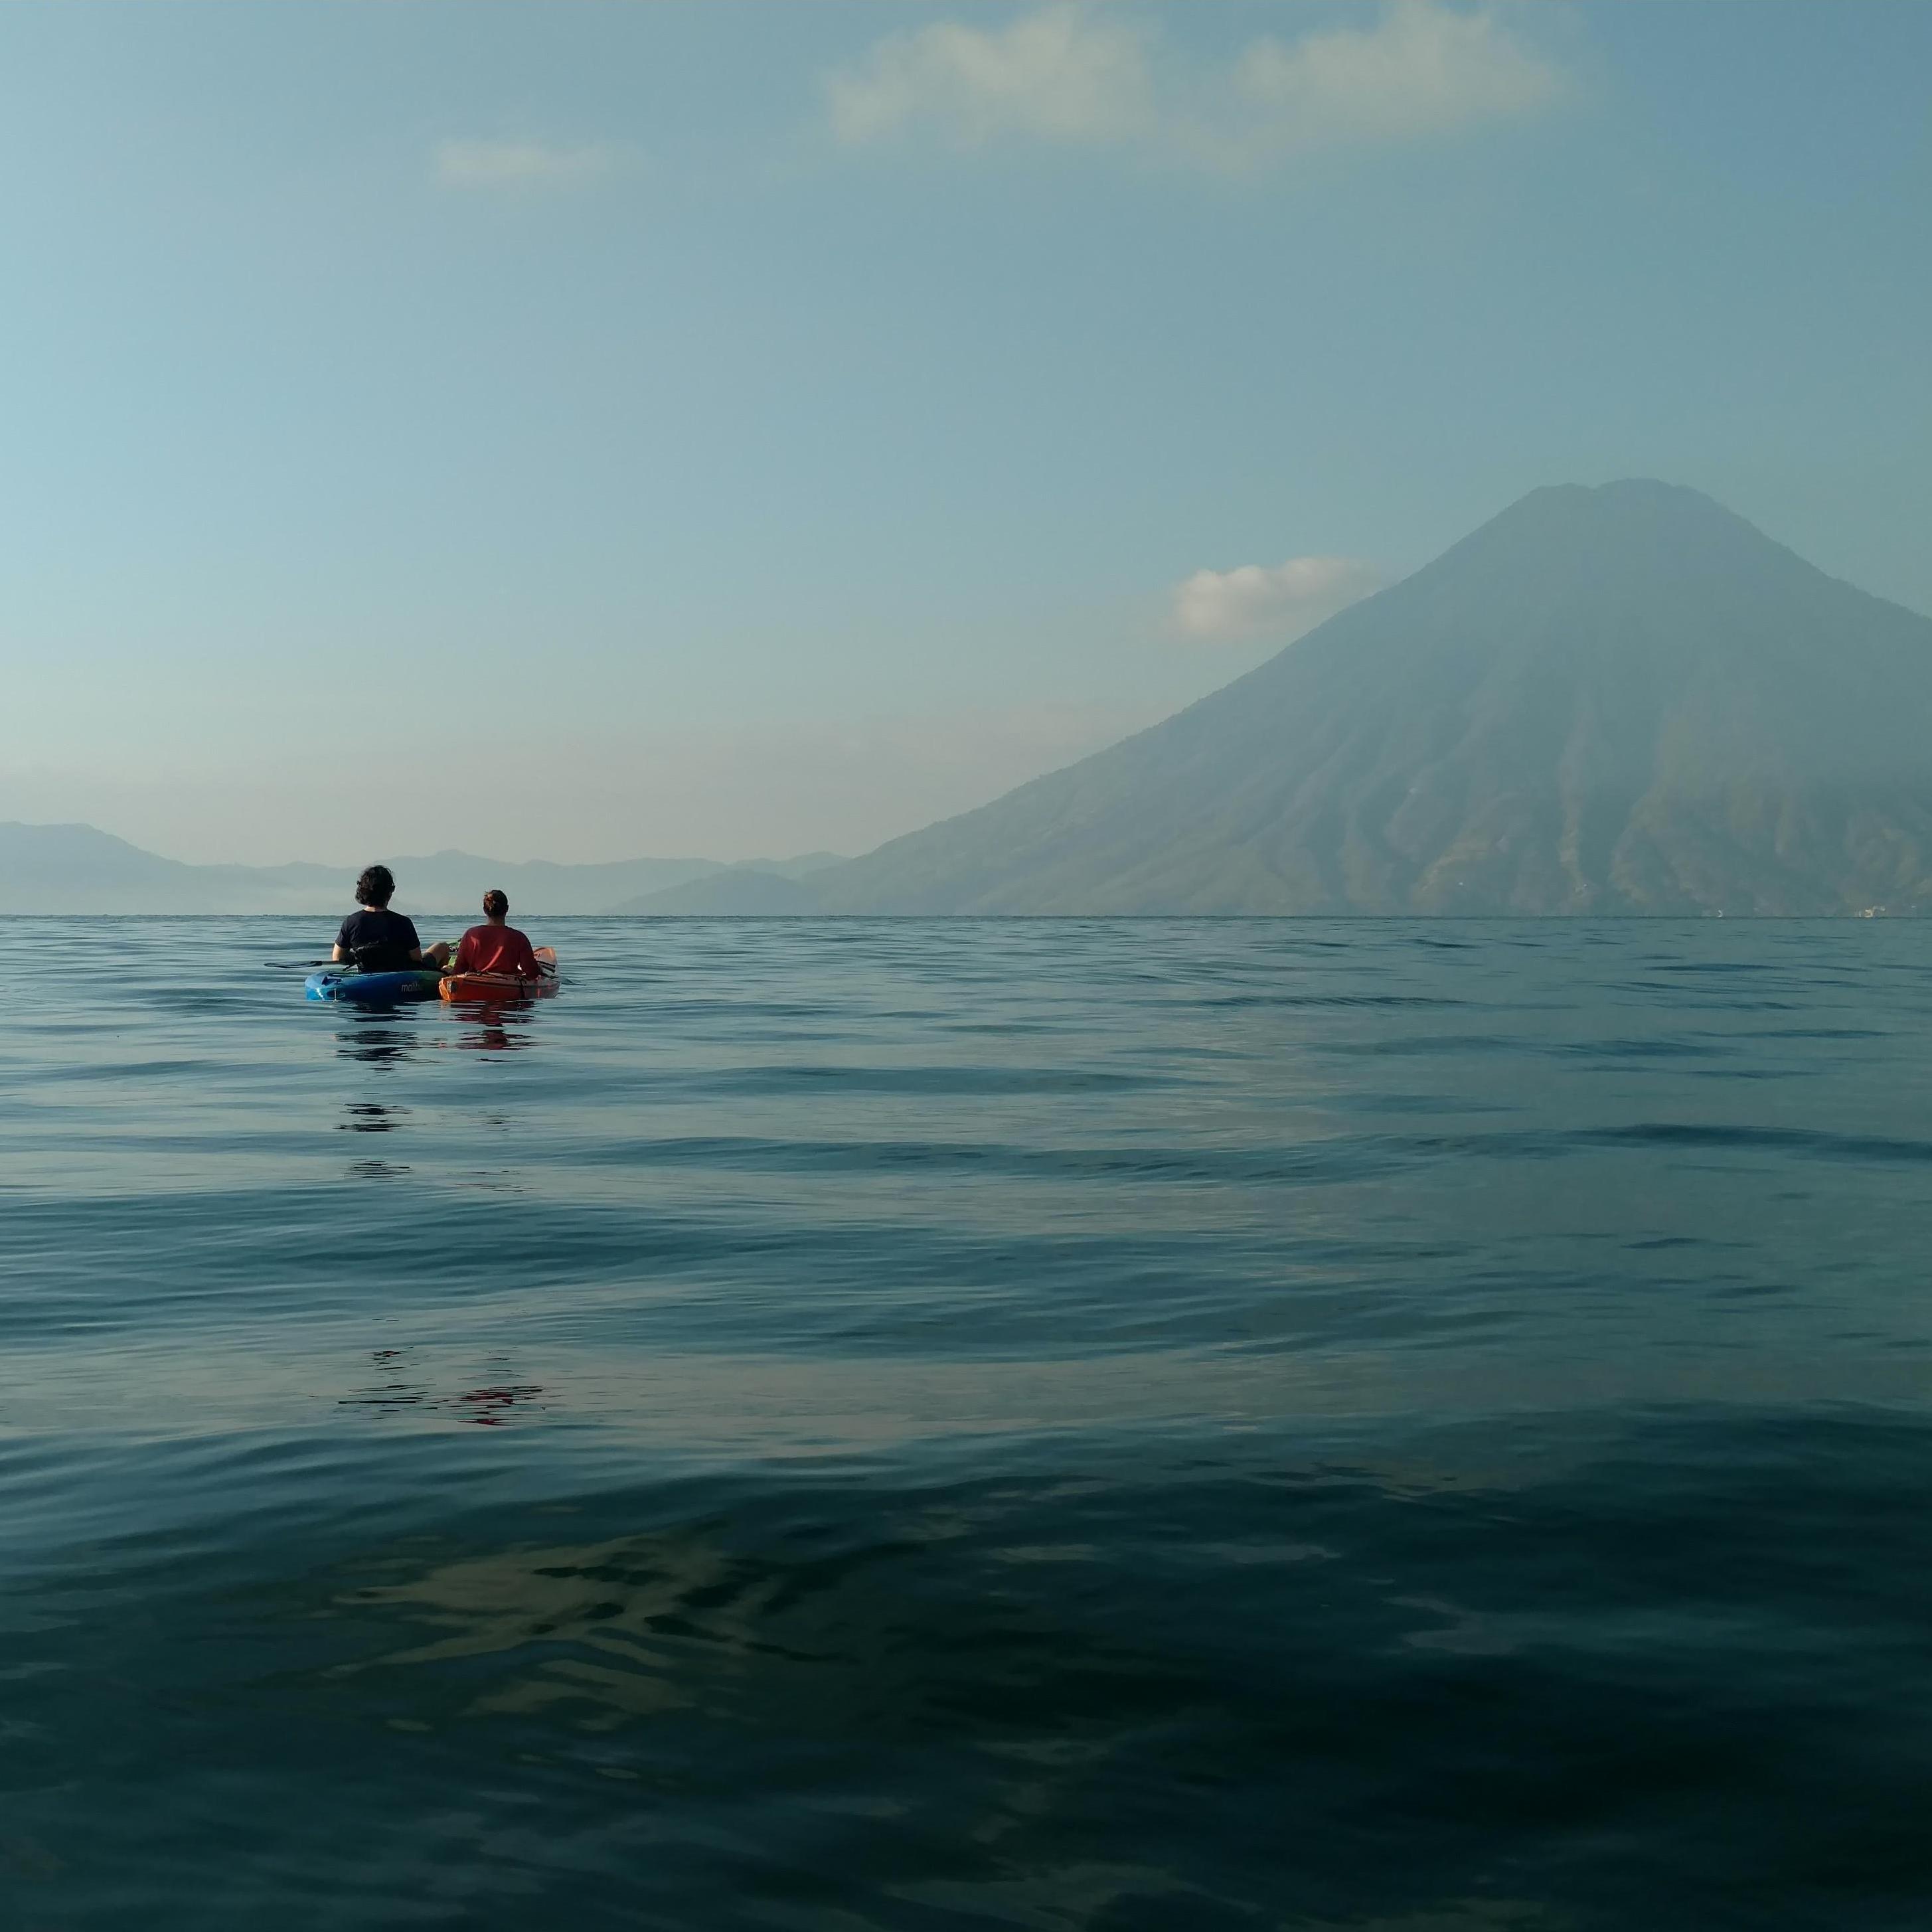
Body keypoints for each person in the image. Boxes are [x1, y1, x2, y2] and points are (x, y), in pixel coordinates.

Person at [332, 866, 452, 972]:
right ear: (389, 893)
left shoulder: (351, 922)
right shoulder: (403, 923)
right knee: (442, 947)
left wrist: (359, 956)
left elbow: (337, 957)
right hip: (402, 978)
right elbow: (417, 960)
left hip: (367, 974)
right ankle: (442, 977)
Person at [448, 888, 544, 980]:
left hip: (475, 984)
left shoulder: (470, 934)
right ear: (507, 909)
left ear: (484, 910)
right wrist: (539, 969)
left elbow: (459, 970)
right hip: (506, 987)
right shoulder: (519, 937)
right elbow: (531, 973)